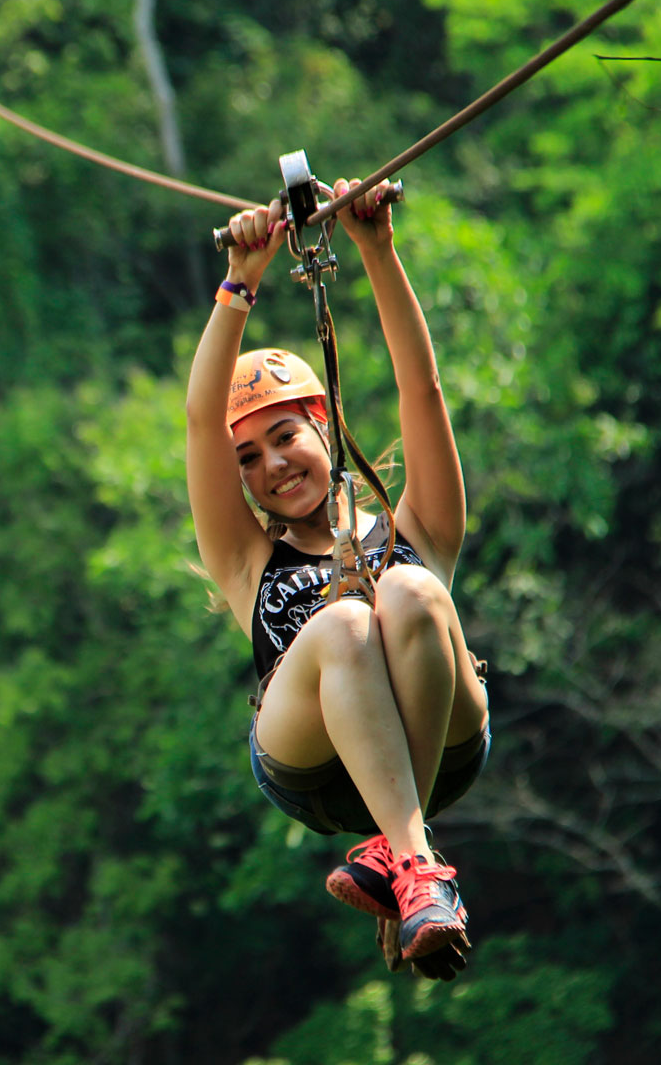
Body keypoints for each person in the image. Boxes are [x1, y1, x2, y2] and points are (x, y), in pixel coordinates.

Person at [184, 180, 491, 980]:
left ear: (323, 425)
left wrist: (377, 251)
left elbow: (420, 389)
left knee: (413, 590)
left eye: (284, 436)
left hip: (445, 743)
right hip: (313, 764)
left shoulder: (416, 526)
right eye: (246, 458)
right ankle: (417, 863)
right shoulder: (248, 561)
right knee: (344, 625)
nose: (273, 464)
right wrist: (238, 284)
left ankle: (403, 859)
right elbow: (196, 425)